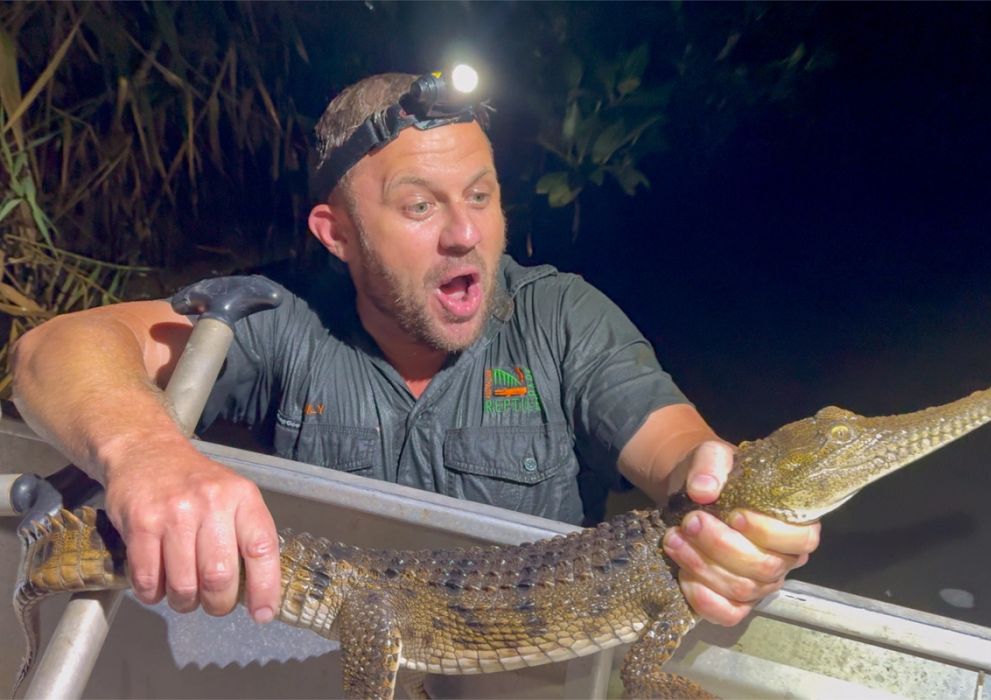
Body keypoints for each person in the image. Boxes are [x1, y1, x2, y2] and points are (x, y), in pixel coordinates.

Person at [11, 71, 819, 629]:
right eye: (419, 205)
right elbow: (55, 348)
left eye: (480, 195)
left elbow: (681, 452)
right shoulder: (283, 321)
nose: (466, 234)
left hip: (525, 672)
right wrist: (149, 453)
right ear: (339, 236)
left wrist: (730, 510)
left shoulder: (562, 317)